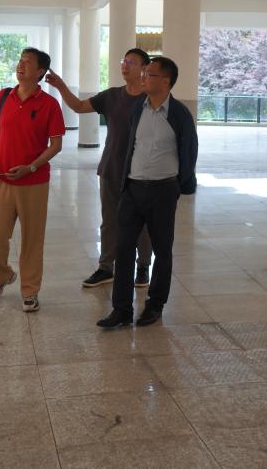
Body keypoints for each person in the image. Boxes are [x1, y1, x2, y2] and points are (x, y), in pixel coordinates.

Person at [96, 56, 198, 329]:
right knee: (123, 248)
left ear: (166, 81)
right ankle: (121, 309)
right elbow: (131, 145)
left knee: (162, 250)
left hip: (163, 190)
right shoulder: (137, 109)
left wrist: (180, 185)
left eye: (150, 74)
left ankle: (155, 305)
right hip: (133, 188)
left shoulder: (179, 115)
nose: (143, 77)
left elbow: (189, 151)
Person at [45, 48, 154, 289]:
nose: (125, 65)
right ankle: (106, 268)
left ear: (144, 68)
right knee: (109, 221)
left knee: (143, 222)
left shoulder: (151, 98)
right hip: (112, 168)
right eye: (123, 61)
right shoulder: (112, 96)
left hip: (143, 172)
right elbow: (79, 106)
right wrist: (61, 86)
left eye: (131, 62)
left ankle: (143, 266)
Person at [0, 48, 66, 313]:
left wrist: (30, 167)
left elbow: (56, 145)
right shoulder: (3, 96)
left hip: (34, 183)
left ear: (40, 72)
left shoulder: (49, 104)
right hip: (0, 180)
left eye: (27, 62)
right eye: (20, 61)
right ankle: (2, 276)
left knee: (32, 240)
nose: (21, 65)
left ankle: (30, 291)